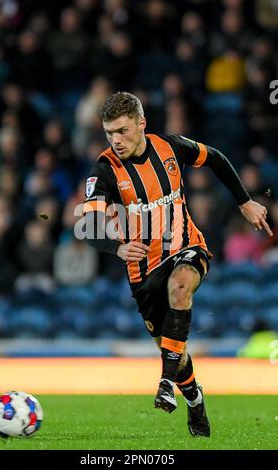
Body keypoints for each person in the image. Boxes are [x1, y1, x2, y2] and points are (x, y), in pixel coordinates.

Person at [83, 92, 272, 437]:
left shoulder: (171, 147)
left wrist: (245, 202)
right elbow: (89, 228)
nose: (116, 140)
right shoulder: (104, 170)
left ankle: (165, 384)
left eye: (122, 131)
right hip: (143, 270)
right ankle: (194, 398)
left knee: (180, 287)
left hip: (187, 246)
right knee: (175, 349)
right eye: (110, 133)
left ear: (142, 124)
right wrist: (118, 248)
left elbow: (215, 157)